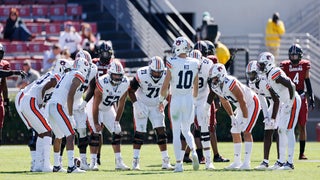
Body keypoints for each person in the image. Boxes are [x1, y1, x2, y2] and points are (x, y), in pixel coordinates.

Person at [19, 59, 72, 172]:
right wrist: (41, 103)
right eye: (67, 70)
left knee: (42, 132)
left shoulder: (51, 74)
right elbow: (44, 87)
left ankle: (38, 165)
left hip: (27, 101)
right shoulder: (57, 77)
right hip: (31, 101)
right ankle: (46, 165)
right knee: (48, 131)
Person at [207, 63, 260, 170]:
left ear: (221, 75)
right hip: (241, 106)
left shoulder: (230, 82)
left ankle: (246, 163)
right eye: (212, 78)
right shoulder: (216, 86)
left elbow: (243, 101)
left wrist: (245, 119)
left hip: (251, 103)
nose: (213, 81)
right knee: (235, 130)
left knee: (246, 131)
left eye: (215, 78)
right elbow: (224, 102)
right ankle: (237, 162)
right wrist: (232, 117)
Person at [159, 36, 200, 172]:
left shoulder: (172, 62)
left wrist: (161, 101)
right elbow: (196, 86)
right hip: (188, 99)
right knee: (187, 131)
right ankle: (193, 151)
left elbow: (165, 86)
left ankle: (179, 164)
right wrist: (193, 100)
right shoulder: (195, 62)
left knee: (176, 133)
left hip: (176, 99)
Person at [258, 52, 301, 170]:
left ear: (268, 64)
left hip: (292, 101)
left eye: (262, 65)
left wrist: (290, 102)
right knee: (281, 130)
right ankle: (281, 161)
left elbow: (291, 85)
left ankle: (290, 163)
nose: (260, 67)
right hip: (285, 102)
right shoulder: (268, 75)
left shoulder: (273, 72)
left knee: (289, 130)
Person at [128, 56, 173, 170]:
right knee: (140, 132)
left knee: (161, 132)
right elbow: (130, 90)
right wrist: (136, 105)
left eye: (159, 72)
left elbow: (169, 91)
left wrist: (164, 103)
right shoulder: (142, 73)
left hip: (156, 104)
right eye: (155, 72)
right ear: (149, 69)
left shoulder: (166, 74)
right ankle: (135, 161)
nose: (157, 75)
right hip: (142, 103)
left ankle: (165, 161)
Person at [46, 57, 90, 173]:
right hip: (57, 106)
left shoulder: (68, 73)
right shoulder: (78, 74)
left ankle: (56, 165)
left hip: (51, 105)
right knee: (71, 134)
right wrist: (70, 116)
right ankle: (71, 166)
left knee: (59, 136)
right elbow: (70, 95)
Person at [86, 60, 130, 170]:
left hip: (108, 108)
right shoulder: (102, 82)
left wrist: (116, 121)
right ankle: (93, 162)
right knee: (96, 133)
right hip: (94, 107)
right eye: (115, 75)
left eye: (119, 75)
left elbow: (121, 104)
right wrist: (96, 123)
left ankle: (119, 162)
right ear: (109, 74)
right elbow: (95, 105)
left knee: (117, 131)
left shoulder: (125, 82)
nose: (117, 77)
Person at [196, 40, 230, 163]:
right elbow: (214, 82)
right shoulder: (210, 62)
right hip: (204, 99)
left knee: (195, 129)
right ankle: (213, 155)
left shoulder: (189, 62)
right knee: (209, 128)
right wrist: (217, 99)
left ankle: (197, 155)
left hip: (191, 100)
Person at [280, 44, 314, 160]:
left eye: (295, 55)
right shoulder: (284, 66)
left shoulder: (305, 65)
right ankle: (285, 153)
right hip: (289, 97)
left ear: (300, 56)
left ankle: (301, 153)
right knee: (287, 126)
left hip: (301, 96)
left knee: (302, 125)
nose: (294, 58)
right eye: (292, 55)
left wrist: (312, 97)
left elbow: (307, 80)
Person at [245, 60, 280, 170]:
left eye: (252, 74)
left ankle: (281, 161)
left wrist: (273, 117)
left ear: (258, 73)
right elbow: (262, 99)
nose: (250, 77)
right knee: (268, 130)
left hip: (281, 102)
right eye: (249, 74)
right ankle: (265, 162)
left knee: (278, 131)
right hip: (272, 103)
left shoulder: (264, 81)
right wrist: (266, 116)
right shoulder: (252, 83)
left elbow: (277, 99)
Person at [189, 49, 215, 170]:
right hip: (189, 98)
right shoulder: (183, 63)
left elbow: (213, 86)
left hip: (203, 98)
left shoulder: (208, 64)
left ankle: (208, 161)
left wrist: (210, 104)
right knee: (185, 128)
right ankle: (180, 160)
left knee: (204, 128)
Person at [72, 50, 97, 170]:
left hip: (78, 103)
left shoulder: (92, 69)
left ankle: (83, 161)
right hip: (66, 103)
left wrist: (85, 102)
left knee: (82, 133)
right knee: (63, 133)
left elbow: (92, 88)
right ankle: (59, 161)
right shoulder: (68, 68)